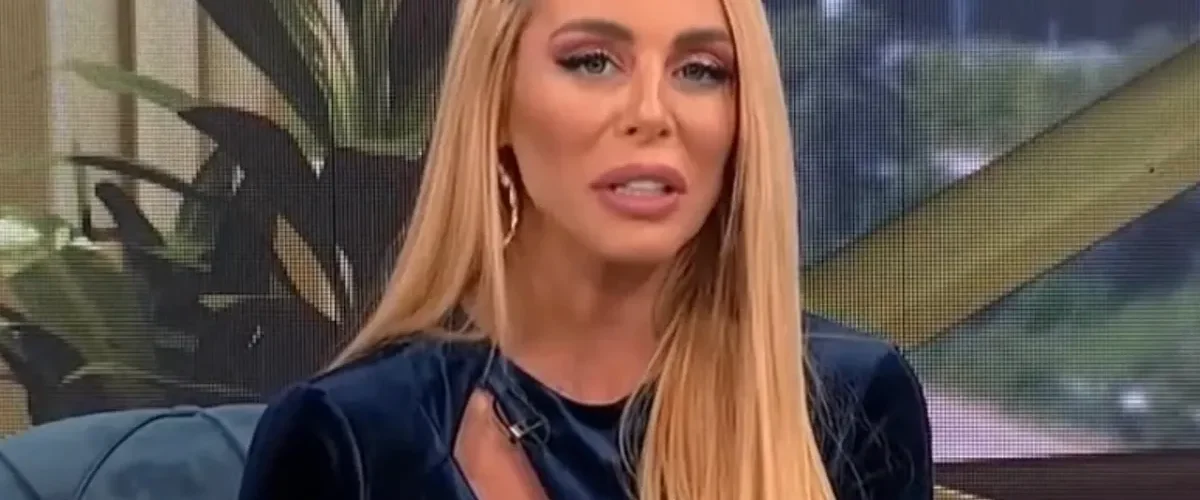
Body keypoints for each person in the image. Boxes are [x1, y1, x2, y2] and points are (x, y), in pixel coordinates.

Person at [237, 0, 932, 498]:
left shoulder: (849, 402)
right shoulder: (347, 440)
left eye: (700, 70)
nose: (652, 113)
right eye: (592, 61)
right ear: (496, 102)